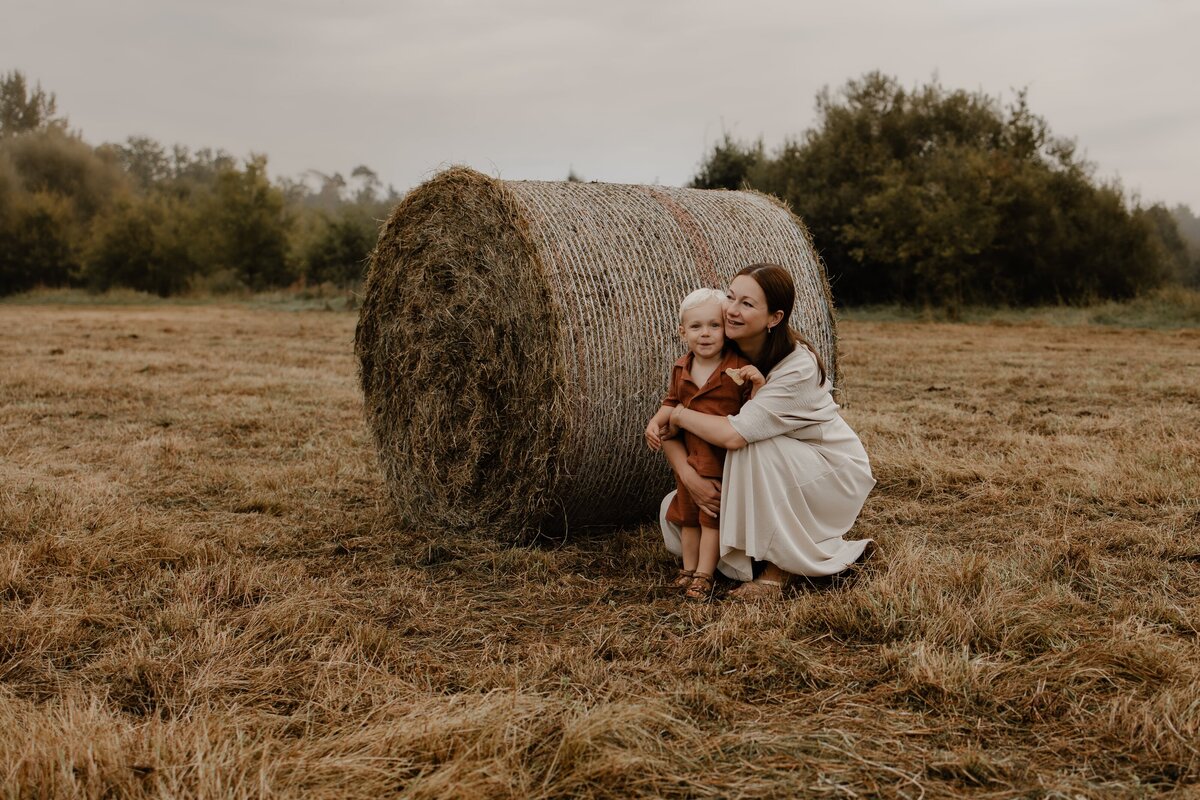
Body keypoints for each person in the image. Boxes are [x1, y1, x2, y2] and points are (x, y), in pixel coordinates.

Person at [651, 263, 875, 600]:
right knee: (678, 512)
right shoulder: (722, 351)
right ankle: (753, 551)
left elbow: (731, 435)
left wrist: (680, 415)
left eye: (747, 304)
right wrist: (690, 477)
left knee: (753, 444)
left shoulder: (797, 366)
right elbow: (672, 425)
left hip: (827, 470)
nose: (732, 311)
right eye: (731, 297)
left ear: (774, 318)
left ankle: (777, 571)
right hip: (770, 469)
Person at [644, 288, 759, 601]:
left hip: (721, 458)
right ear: (682, 332)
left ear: (726, 330)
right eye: (696, 327)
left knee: (712, 520)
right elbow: (671, 403)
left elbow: (755, 413)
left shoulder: (736, 368)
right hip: (691, 457)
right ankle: (687, 568)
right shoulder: (682, 367)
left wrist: (757, 382)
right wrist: (655, 422)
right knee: (689, 519)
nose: (705, 334)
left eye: (714, 325)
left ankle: (704, 576)